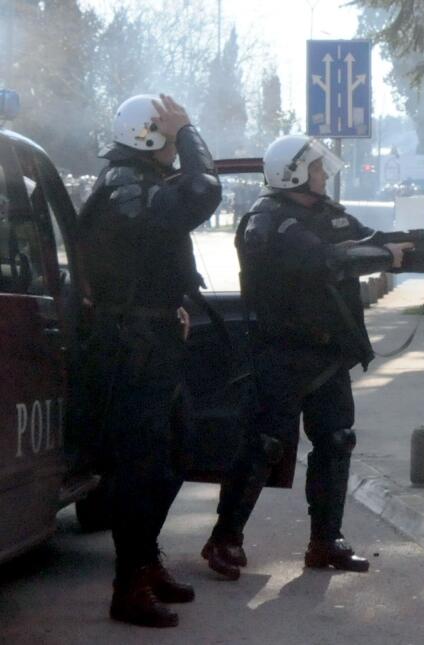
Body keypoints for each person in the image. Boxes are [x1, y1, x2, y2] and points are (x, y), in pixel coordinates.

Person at [201, 135, 424, 580]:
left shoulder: (328, 215)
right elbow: (323, 260)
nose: (324, 175)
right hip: (280, 353)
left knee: (337, 441)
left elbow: (376, 243)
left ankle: (325, 541)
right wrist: (379, 254)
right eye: (316, 169)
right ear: (293, 173)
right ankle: (225, 538)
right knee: (263, 446)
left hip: (327, 353)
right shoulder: (266, 223)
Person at [77, 94, 222, 627]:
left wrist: (172, 305)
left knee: (174, 454)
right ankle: (128, 586)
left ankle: (144, 559)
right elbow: (203, 190)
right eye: (166, 133)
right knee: (142, 468)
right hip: (131, 344)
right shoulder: (125, 186)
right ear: (150, 136)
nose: (175, 142)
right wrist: (188, 133)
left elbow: (149, 256)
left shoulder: (138, 184)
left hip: (151, 334)